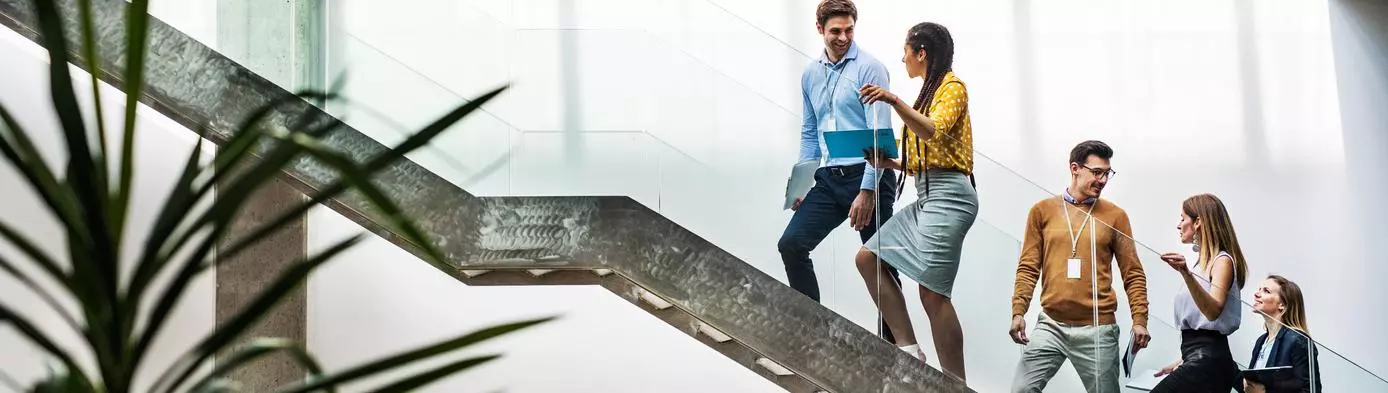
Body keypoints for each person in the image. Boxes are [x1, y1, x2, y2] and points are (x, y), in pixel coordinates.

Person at [855, 21, 977, 381]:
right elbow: (926, 154)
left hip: (951, 197)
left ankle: (955, 384)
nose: (903, 57)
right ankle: (909, 350)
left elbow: (933, 130)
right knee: (867, 258)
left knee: (933, 294)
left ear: (921, 53)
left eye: (906, 50)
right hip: (926, 193)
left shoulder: (953, 87)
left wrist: (893, 99)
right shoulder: (930, 89)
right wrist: (889, 162)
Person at [776, 0, 899, 340]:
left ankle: (895, 348)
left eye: (849, 30)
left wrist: (868, 190)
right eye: (835, 31)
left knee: (881, 266)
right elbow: (809, 132)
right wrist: (801, 184)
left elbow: (880, 135)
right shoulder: (810, 75)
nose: (843, 37)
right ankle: (812, 332)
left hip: (869, 175)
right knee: (791, 244)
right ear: (820, 30)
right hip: (829, 180)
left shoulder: (870, 68)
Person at [1008, 140, 1151, 393]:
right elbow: (1028, 266)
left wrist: (1140, 320)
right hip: (1051, 325)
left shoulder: (1116, 216)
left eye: (1107, 173)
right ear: (1075, 169)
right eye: (1097, 172)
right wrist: (1018, 310)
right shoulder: (1042, 211)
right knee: (1021, 389)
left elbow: (1133, 273)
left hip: (1098, 329)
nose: (1104, 179)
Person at [1150, 193, 1249, 393]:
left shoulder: (1222, 261)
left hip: (1208, 362)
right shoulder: (1201, 265)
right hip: (1200, 358)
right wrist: (1184, 360)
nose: (1179, 225)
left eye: (1182, 218)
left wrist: (1186, 273)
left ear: (1198, 222)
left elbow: (1213, 312)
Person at [1239, 275, 1321, 393]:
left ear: (1282, 305)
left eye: (1266, 291)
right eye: (1259, 289)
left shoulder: (1298, 341)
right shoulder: (1261, 341)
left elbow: (1310, 391)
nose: (1257, 294)